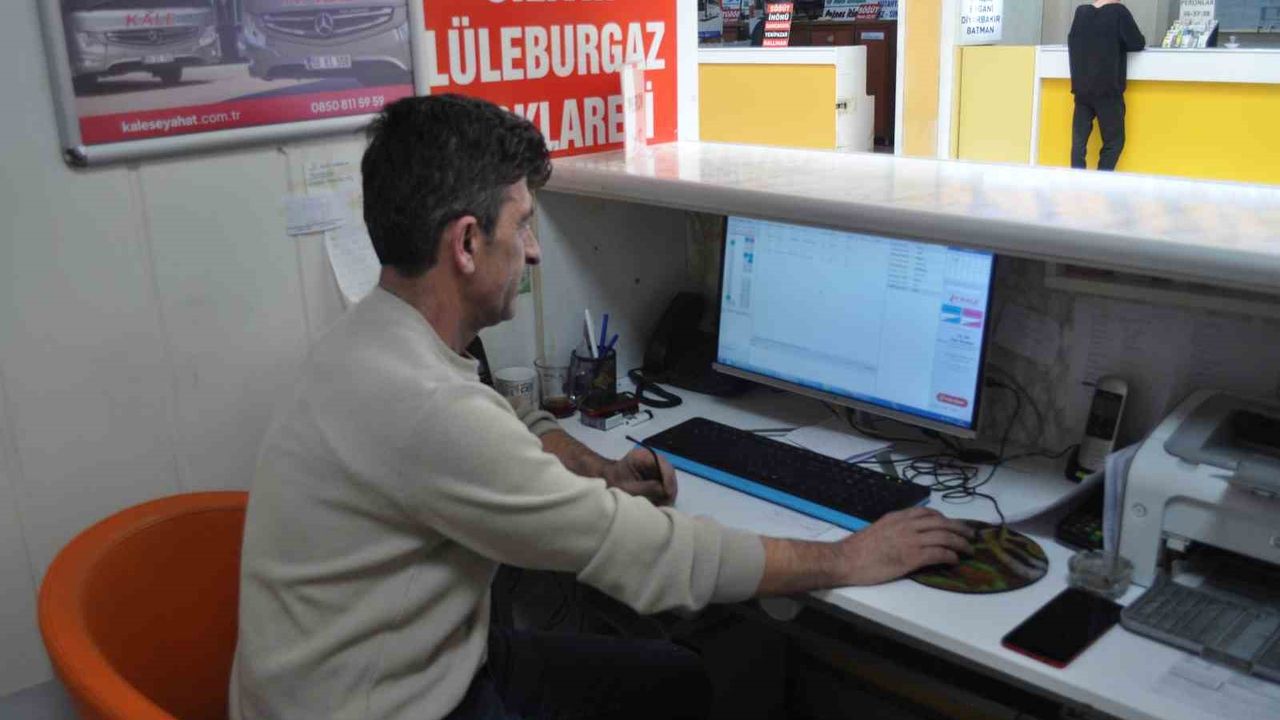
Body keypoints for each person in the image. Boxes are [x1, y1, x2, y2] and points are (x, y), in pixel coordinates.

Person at [230, 94, 975, 720]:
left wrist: (599, 470)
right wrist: (847, 557)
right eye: (522, 224)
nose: (534, 251)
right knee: (681, 661)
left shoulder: (376, 336)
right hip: (391, 706)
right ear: (466, 243)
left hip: (402, 668)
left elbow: (507, 424)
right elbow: (649, 555)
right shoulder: (426, 408)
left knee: (673, 679)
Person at [1068, 0, 1146, 171]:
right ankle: (1101, 180)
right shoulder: (1118, 12)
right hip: (1108, 89)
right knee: (1114, 142)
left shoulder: (1081, 13)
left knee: (1079, 142)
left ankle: (1075, 179)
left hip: (1082, 89)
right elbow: (1137, 42)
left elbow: (1072, 41)